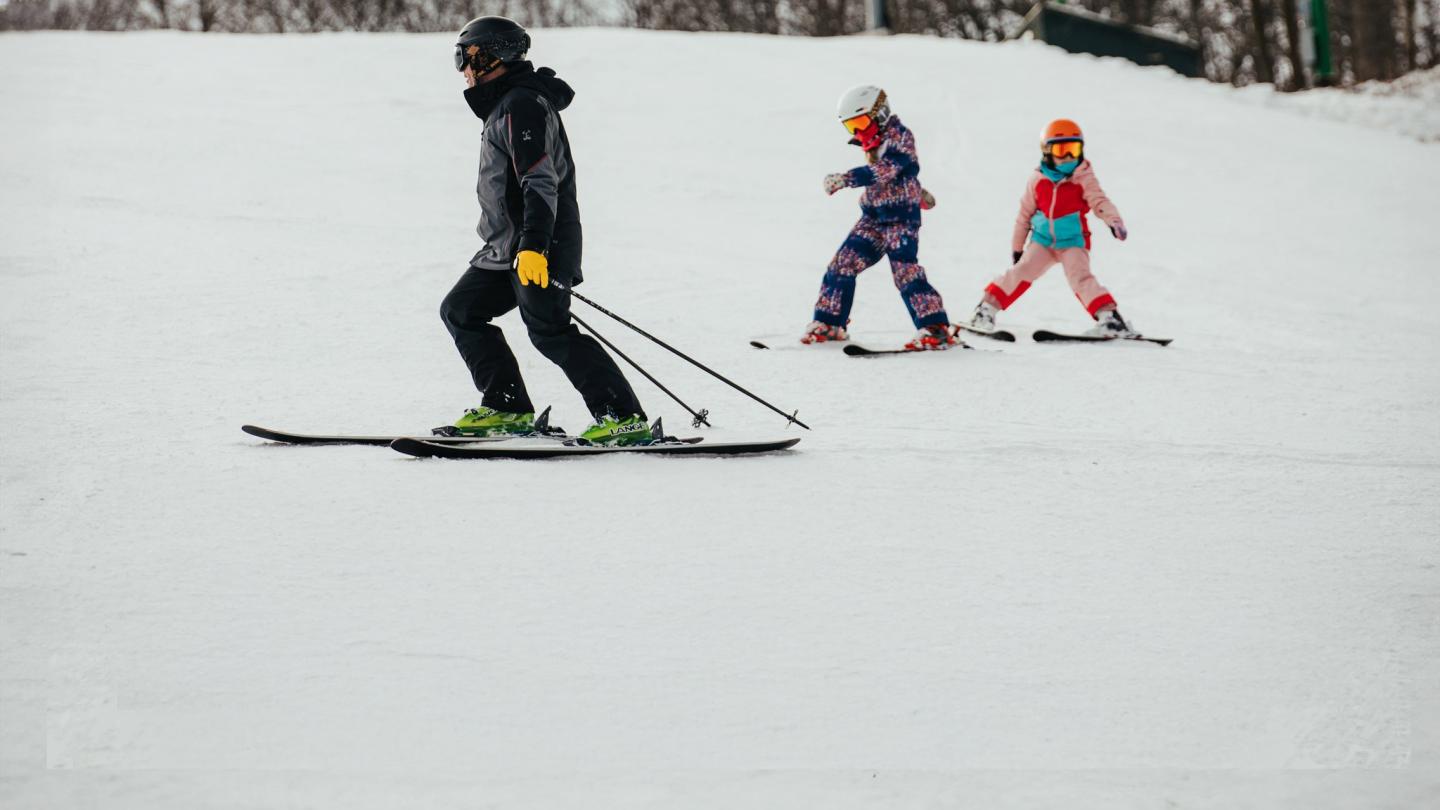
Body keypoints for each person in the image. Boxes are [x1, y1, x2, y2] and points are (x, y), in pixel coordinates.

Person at [439, 16, 649, 444]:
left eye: (465, 57)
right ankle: (506, 406)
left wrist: (534, 247)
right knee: (461, 311)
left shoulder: (523, 104)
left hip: (540, 245)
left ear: (491, 55)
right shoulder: (505, 105)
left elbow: (539, 180)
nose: (461, 68)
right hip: (505, 250)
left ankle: (623, 418)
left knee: (550, 331)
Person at [803, 85, 956, 351]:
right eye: (852, 127)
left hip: (900, 219)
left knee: (905, 272)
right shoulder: (872, 143)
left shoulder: (900, 136)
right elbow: (897, 176)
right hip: (873, 218)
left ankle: (936, 329)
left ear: (880, 113)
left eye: (861, 122)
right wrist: (918, 190)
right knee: (842, 263)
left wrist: (847, 179)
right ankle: (829, 324)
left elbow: (887, 169)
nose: (859, 132)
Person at [962, 118, 1136, 337]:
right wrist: (1018, 247)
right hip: (1042, 240)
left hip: (1073, 240)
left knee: (1081, 278)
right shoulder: (1038, 180)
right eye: (1061, 150)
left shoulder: (1083, 177)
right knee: (1019, 272)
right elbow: (1024, 214)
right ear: (1047, 151)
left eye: (1074, 149)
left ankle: (1110, 319)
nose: (1068, 157)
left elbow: (1099, 201)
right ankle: (984, 311)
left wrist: (1114, 220)